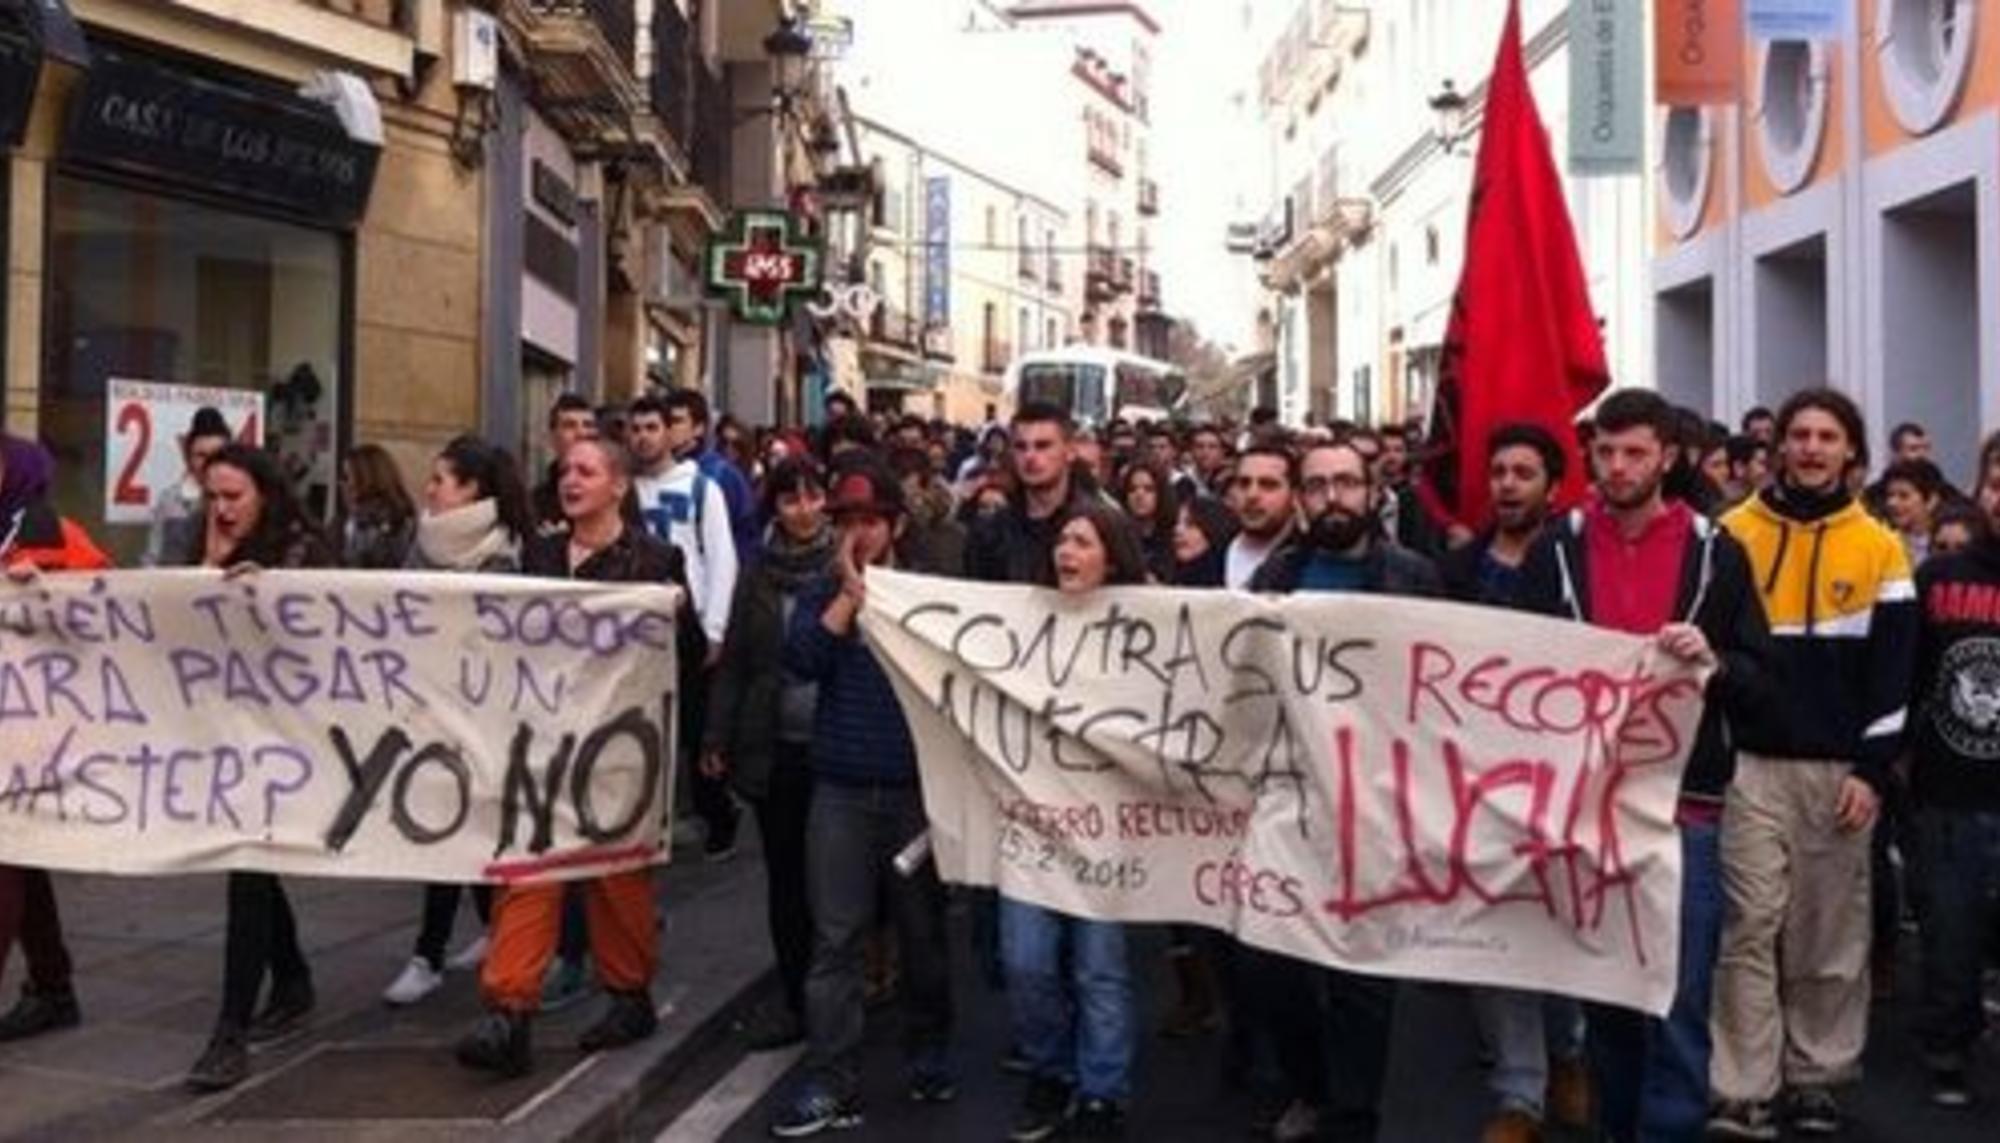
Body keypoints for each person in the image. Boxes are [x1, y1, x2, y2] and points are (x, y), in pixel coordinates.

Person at [1513, 391, 1776, 1143]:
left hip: (1682, 814)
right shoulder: (1553, 548)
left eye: (1635, 452)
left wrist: (1715, 662)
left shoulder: (1716, 551)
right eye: (1606, 452)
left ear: (1669, 455)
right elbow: (1513, 672)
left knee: (1679, 999)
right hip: (1584, 811)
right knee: (1606, 998)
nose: (1618, 466)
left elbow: (1763, 679)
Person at [1710, 388, 1918, 1139]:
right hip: (1750, 766)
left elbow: (1897, 674)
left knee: (1828, 934)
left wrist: (1871, 769)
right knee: (1749, 925)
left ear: (1851, 452)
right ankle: (1742, 1084)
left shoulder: (1882, 546)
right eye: (1798, 433)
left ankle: (1817, 1076)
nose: (1810, 447)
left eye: (1827, 436)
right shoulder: (1730, 534)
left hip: (1840, 771)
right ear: (1778, 448)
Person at [456, 437, 688, 1078]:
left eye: (586, 470)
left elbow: (683, 659)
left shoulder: (656, 561)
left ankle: (628, 995)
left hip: (619, 751)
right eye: (564, 470)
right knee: (530, 870)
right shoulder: (538, 557)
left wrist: (676, 616)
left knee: (617, 876)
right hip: (542, 745)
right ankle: (510, 1013)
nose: (570, 480)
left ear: (618, 485)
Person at [1246, 439, 1441, 1143]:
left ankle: (1354, 1113)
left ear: (1371, 491)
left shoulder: (1414, 576)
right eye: (1320, 485)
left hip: (1378, 800)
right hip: (1288, 797)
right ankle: (1312, 1085)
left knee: (1363, 977)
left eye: (1347, 484)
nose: (1334, 497)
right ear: (1302, 496)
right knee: (1273, 963)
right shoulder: (1276, 574)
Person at [770, 461, 955, 1137]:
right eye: (846, 523)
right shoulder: (825, 588)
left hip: (913, 793)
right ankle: (831, 1076)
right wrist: (848, 592)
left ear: (896, 525)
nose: (858, 534)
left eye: (870, 522)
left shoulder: (927, 593)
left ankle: (930, 1047)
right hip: (842, 792)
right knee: (836, 938)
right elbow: (803, 659)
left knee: (922, 935)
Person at [1434, 423, 1590, 1142]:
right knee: (1492, 931)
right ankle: (1519, 1090)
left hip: (1562, 777)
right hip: (1472, 778)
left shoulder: (1578, 561)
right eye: (1498, 470)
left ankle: (1570, 1053)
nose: (1507, 483)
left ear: (1552, 486)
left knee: (1559, 925)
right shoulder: (1459, 567)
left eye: (1524, 472)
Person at [183, 444, 333, 1091]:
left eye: (233, 497)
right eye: (211, 497)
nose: (220, 509)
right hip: (230, 730)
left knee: (246, 865)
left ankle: (229, 1031)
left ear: (264, 495)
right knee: (251, 861)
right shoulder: (209, 540)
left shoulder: (303, 548)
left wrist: (260, 595)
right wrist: (209, 571)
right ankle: (293, 976)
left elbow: (323, 638)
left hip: (292, 738)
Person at [1001, 500, 1152, 1142]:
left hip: (1107, 827)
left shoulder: (1144, 631)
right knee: (1026, 961)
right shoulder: (1022, 621)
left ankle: (1102, 1091)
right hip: (1033, 822)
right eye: (1062, 540)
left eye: (1084, 542)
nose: (1067, 551)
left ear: (1111, 557)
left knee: (1100, 966)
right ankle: (1050, 1070)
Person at [381, 436, 532, 1007]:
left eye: (441, 480)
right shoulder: (420, 543)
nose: (429, 489)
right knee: (446, 829)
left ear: (471, 491)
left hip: (484, 717)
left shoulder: (507, 555)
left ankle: (432, 953)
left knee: (463, 830)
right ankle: (456, 941)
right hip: (429, 710)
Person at [704, 459, 836, 1053]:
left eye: (812, 497)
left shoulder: (848, 566)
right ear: (775, 508)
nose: (803, 510)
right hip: (773, 747)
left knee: (832, 882)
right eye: (790, 500)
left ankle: (840, 993)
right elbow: (735, 664)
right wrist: (716, 738)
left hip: (837, 748)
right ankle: (793, 998)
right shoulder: (756, 575)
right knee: (785, 881)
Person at [0, 435, 110, 1044]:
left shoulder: (48, 530)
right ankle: (52, 985)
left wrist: (45, 594)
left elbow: (109, 607)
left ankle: (52, 987)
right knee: (22, 861)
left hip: (29, 726)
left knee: (5, 859)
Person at [1905, 430, 2000, 1108]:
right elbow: (1905, 674)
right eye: (1998, 481)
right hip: (1950, 789)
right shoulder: (1942, 578)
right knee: (1953, 931)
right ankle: (1948, 1045)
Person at [628, 394, 742, 860]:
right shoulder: (622, 488)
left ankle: (717, 813)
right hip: (636, 630)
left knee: (696, 730)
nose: (643, 437)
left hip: (687, 625)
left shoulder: (702, 488)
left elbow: (722, 559)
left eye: (652, 427)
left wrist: (714, 628)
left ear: (670, 433)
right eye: (634, 429)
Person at [966, 403, 1091, 588]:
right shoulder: (990, 532)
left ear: (1070, 451)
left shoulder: (1101, 527)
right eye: (1020, 447)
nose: (1030, 456)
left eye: (1043, 446)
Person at [144, 406, 231, 567]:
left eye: (217, 455)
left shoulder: (242, 500)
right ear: (188, 457)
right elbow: (152, 558)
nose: (208, 463)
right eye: (201, 455)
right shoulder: (169, 499)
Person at [1224, 444, 1300, 590]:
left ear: (1295, 495)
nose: (1252, 495)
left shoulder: (1308, 564)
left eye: (1268, 485)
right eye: (1243, 483)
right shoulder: (1214, 550)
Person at [335, 443, 417, 569]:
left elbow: (358, 563)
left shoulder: (390, 523)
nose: (341, 484)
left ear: (365, 479)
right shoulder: (349, 519)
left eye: (346, 477)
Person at [533, 393, 599, 531]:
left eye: (588, 425)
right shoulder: (535, 502)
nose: (581, 433)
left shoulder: (614, 493)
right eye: (570, 425)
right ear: (552, 436)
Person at [1115, 460, 1180, 583]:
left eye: (1148, 489)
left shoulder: (1173, 535)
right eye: (1132, 489)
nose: (1139, 495)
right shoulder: (1118, 537)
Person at [1878, 458, 1949, 566]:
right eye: (1889, 495)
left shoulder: (1948, 544)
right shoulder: (1881, 542)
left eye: (1903, 496)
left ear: (1931, 501)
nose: (1892, 503)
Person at [1172, 495, 1237, 589]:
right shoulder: (1169, 579)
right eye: (1175, 523)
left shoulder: (1231, 582)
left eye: (1190, 524)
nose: (1178, 530)